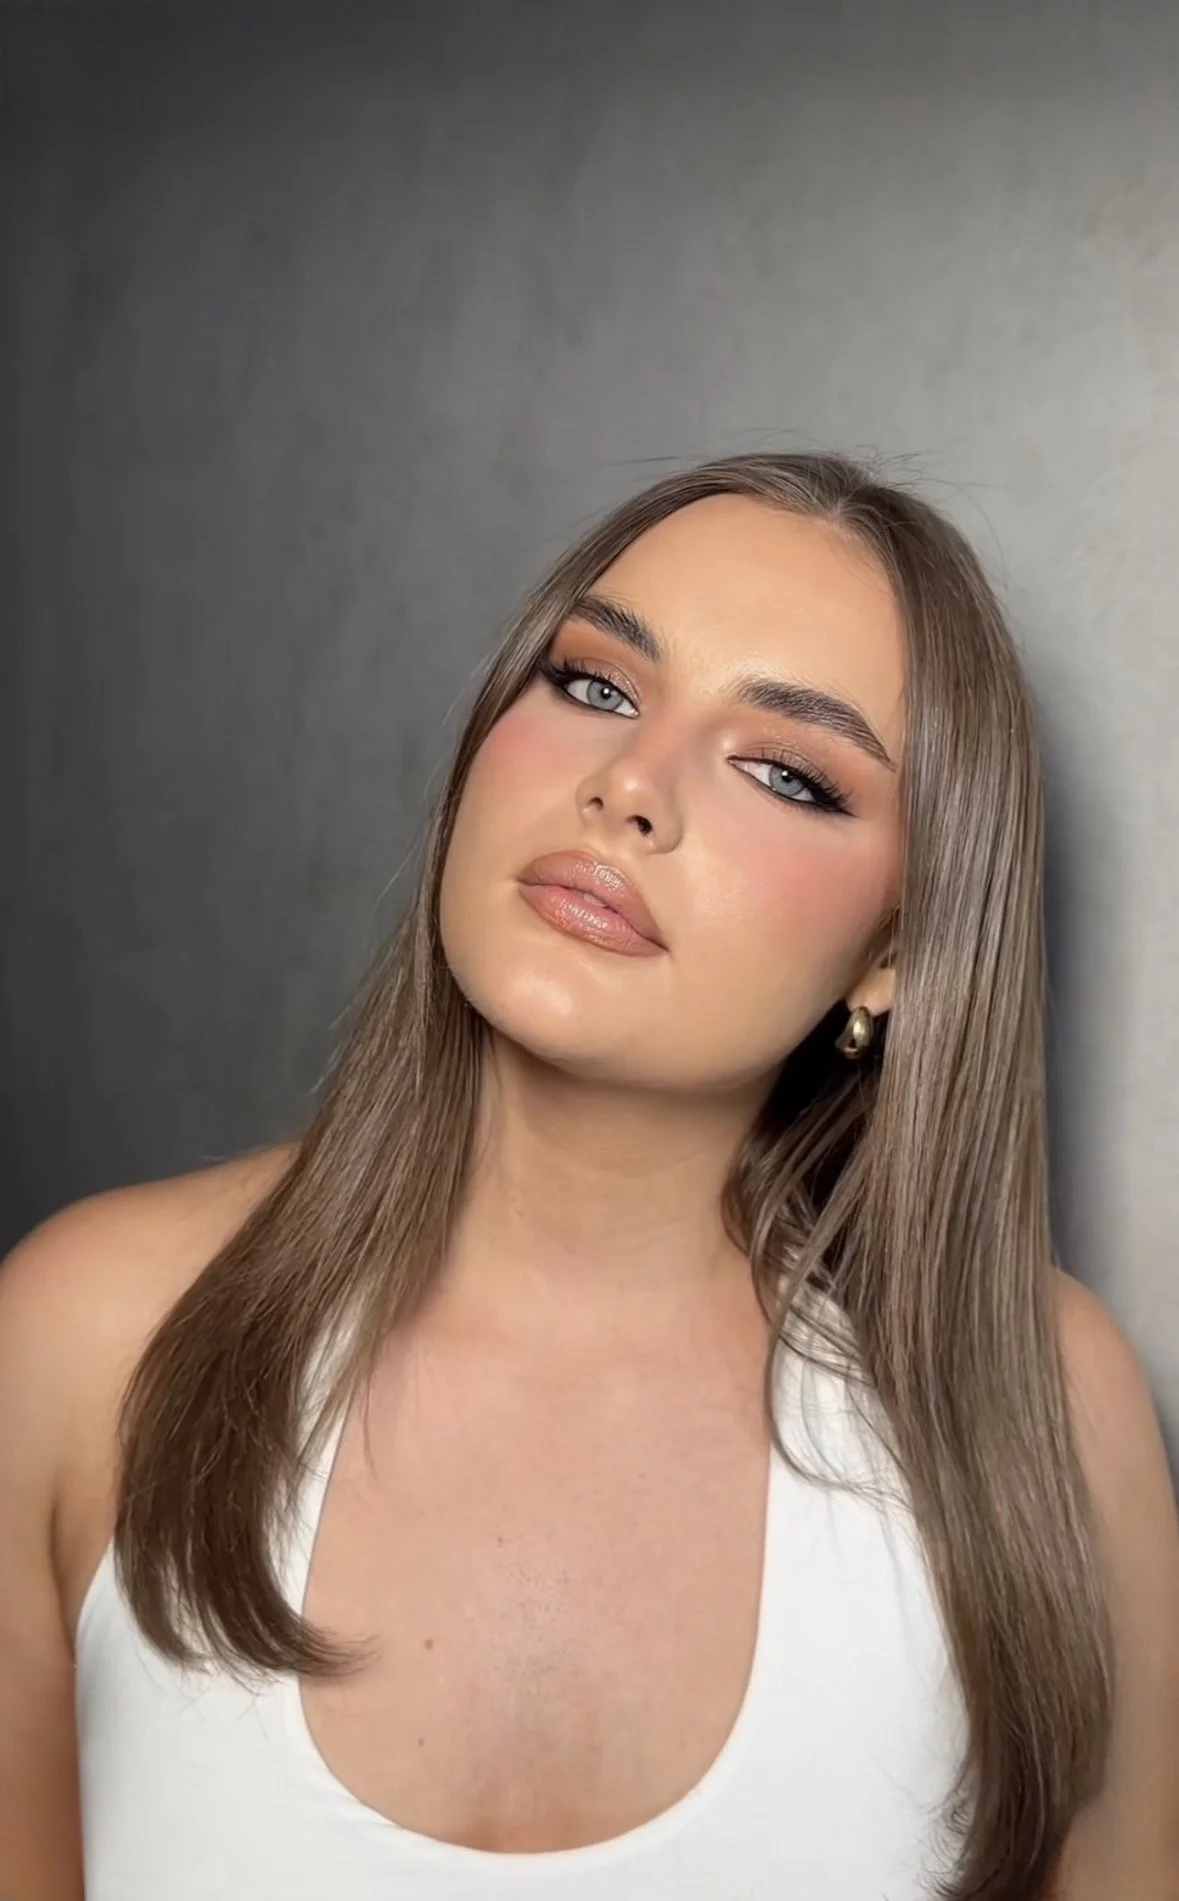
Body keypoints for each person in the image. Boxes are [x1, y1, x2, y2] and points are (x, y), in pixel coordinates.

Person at [1, 453, 1175, 1901]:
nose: (628, 787)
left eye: (786, 771)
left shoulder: (1037, 1412)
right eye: (597, 687)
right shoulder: (83, 1336)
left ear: (897, 950)